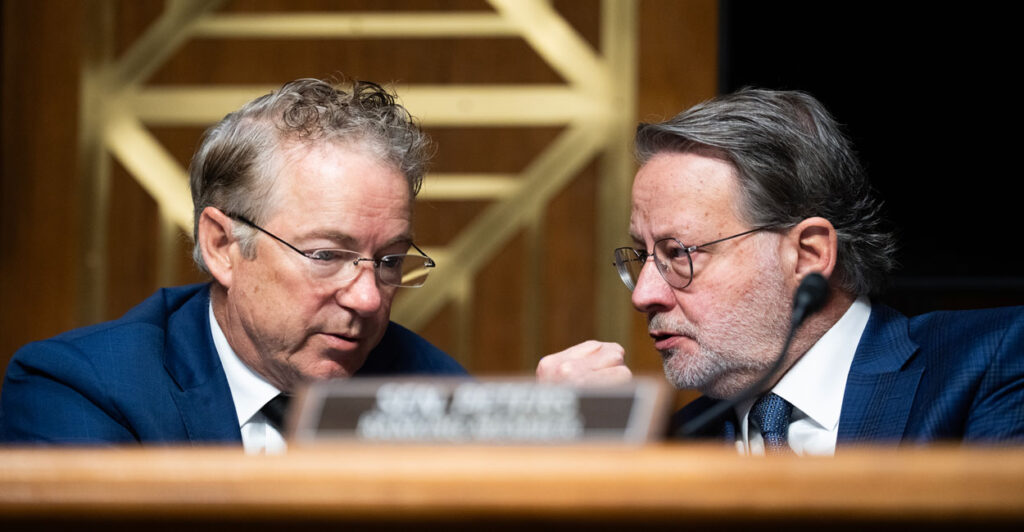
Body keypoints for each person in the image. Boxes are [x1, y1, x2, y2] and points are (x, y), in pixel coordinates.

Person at [0, 79, 473, 451]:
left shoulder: (433, 392)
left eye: (389, 260)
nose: (369, 298)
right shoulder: (83, 390)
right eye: (326, 255)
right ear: (222, 245)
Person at [560, 88, 1024, 454]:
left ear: (808, 253)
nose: (644, 295)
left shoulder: (994, 362)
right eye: (643, 254)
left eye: (678, 253)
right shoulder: (671, 446)